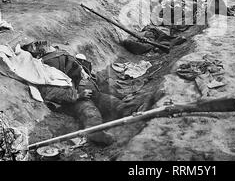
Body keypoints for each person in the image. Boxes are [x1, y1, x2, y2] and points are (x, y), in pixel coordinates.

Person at [22, 42, 162, 146]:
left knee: (109, 100)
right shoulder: (43, 66)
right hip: (72, 98)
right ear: (38, 54)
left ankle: (130, 111)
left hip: (88, 90)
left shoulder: (59, 52)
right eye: (34, 46)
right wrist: (77, 95)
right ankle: (95, 132)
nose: (38, 43)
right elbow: (49, 92)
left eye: (35, 42)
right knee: (90, 111)